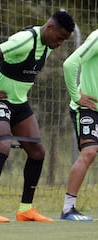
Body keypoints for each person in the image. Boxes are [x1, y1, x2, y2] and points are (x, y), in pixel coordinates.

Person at [0, 10, 75, 222]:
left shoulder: (47, 45)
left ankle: (25, 209)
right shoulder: (23, 40)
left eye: (64, 41)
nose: (60, 44)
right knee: (3, 146)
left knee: (37, 152)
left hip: (19, 103)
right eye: (60, 38)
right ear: (50, 28)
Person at [60, 29, 98, 222]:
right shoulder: (97, 37)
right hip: (88, 108)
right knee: (90, 151)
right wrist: (76, 96)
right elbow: (69, 64)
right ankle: (68, 209)